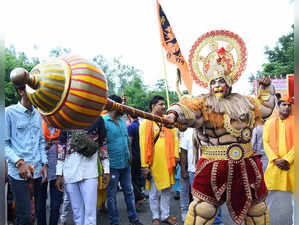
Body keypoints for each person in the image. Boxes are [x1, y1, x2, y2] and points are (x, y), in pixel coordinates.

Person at [165, 31, 276, 225]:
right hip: (213, 165)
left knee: (257, 211)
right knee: (202, 210)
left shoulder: (245, 101)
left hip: (247, 164)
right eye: (213, 82)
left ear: (229, 82)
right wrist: (174, 114)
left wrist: (266, 90)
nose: (217, 85)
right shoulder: (202, 103)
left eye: (221, 81)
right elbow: (186, 109)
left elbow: (266, 109)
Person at [5, 67, 48, 225]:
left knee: (39, 213)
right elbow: (4, 144)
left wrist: (44, 163)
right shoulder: (8, 113)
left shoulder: (38, 114)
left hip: (38, 172)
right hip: (19, 174)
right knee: (24, 217)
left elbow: (41, 142)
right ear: (21, 92)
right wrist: (19, 163)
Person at [55, 116, 110, 225]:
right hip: (70, 171)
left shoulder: (97, 119)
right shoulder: (66, 119)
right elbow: (61, 147)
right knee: (77, 214)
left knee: (90, 214)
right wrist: (59, 173)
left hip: (90, 171)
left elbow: (103, 145)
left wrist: (106, 170)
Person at [103, 95, 143, 225]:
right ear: (114, 105)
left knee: (129, 191)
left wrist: (130, 155)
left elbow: (127, 141)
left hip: (126, 163)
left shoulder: (122, 121)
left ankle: (134, 218)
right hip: (112, 165)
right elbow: (101, 145)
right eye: (122, 105)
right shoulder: (103, 121)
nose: (123, 108)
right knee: (111, 196)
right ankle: (114, 222)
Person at [139, 95, 179, 225]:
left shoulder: (168, 122)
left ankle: (165, 215)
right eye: (160, 104)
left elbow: (175, 138)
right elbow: (142, 144)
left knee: (167, 191)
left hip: (168, 163)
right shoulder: (145, 123)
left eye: (164, 104)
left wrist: (175, 156)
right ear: (153, 106)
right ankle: (155, 216)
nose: (163, 107)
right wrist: (145, 165)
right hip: (154, 164)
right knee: (154, 193)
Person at [179, 127, 224, 225]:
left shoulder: (213, 130)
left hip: (213, 171)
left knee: (216, 198)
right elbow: (183, 151)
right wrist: (183, 169)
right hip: (194, 171)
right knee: (199, 201)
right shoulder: (188, 132)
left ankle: (217, 222)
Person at [263, 96, 294, 224]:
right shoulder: (269, 122)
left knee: (296, 200)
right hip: (275, 165)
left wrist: (287, 159)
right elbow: (266, 142)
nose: (286, 107)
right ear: (278, 106)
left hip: (292, 166)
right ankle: (264, 221)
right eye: (284, 105)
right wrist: (275, 159)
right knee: (267, 196)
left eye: (289, 105)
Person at [40, 120, 64, 225]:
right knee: (40, 205)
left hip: (57, 171)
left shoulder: (61, 123)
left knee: (56, 205)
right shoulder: (37, 122)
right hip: (41, 170)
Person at [127, 113, 146, 209]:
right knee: (138, 177)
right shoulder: (141, 125)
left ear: (129, 116)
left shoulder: (131, 127)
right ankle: (140, 196)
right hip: (141, 156)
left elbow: (129, 142)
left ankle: (139, 198)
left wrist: (129, 155)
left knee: (132, 179)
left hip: (134, 156)